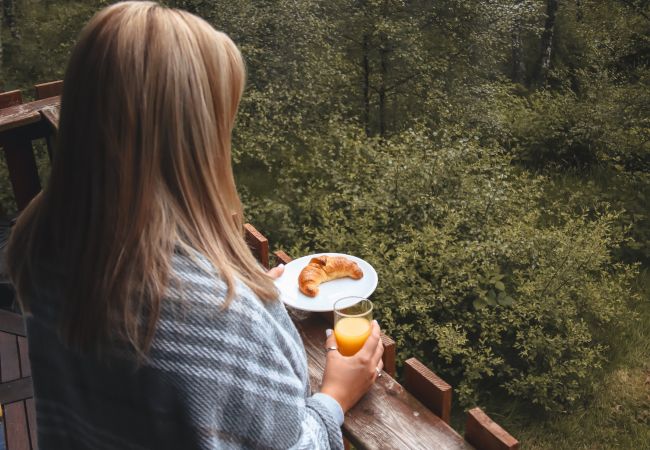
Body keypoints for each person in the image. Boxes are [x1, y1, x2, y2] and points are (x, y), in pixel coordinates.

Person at [6, 2, 384, 449]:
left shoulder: (44, 246)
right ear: (194, 140)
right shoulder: (222, 318)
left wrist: (229, 286)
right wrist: (335, 397)